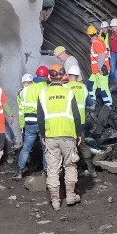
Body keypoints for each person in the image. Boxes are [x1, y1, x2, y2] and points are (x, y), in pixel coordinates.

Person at [37, 67, 82, 210]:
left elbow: (40, 118)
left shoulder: (43, 93)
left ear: (49, 78)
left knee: (52, 169)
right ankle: (70, 196)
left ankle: (55, 201)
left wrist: (43, 135)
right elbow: (76, 115)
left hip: (51, 135)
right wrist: (79, 134)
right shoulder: (69, 92)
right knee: (70, 165)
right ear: (63, 77)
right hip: (68, 134)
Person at [12, 66, 48, 180]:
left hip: (29, 123)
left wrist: (22, 124)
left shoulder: (25, 90)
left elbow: (21, 108)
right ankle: (46, 173)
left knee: (26, 148)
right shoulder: (46, 89)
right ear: (46, 77)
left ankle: (19, 172)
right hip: (42, 123)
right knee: (45, 148)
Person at [64, 66, 96, 177]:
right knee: (82, 144)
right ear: (78, 76)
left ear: (68, 75)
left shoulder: (65, 87)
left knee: (69, 145)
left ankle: (73, 171)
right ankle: (91, 170)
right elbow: (90, 103)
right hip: (81, 122)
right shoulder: (83, 88)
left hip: (68, 122)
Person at [86, 25, 112, 107]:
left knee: (103, 89)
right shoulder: (98, 41)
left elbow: (101, 56)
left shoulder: (96, 43)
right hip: (95, 72)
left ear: (88, 35)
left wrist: (99, 67)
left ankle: (109, 105)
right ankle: (92, 102)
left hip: (101, 70)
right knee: (90, 85)